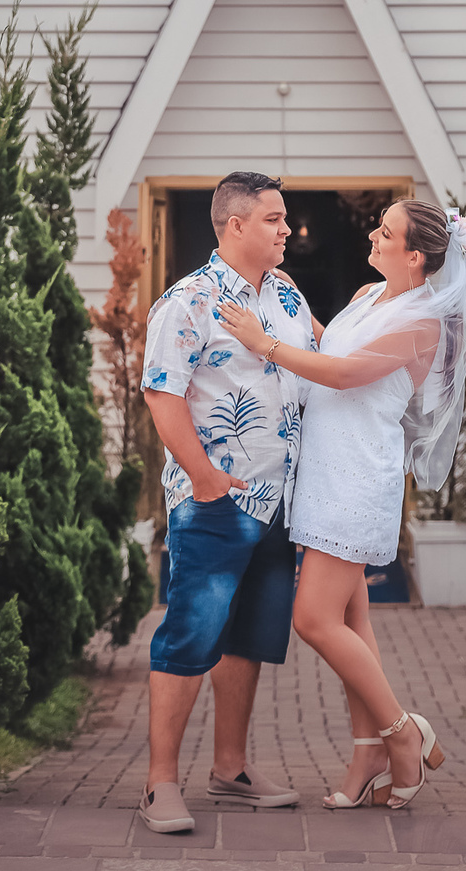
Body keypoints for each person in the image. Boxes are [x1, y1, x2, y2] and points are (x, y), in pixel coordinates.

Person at [219, 199, 466, 811]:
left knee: (313, 619)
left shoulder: (422, 325)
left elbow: (341, 374)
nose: (373, 233)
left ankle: (402, 733)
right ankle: (368, 749)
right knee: (353, 621)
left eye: (385, 232)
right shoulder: (368, 295)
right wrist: (293, 304)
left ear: (415, 256)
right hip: (321, 472)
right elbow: (328, 344)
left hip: (358, 478)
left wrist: (263, 343)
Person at [137, 172, 317, 835]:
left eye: (286, 218)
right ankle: (159, 784)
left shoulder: (289, 295)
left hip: (280, 505)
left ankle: (230, 769)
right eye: (273, 218)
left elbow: (324, 353)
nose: (286, 229)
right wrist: (203, 475)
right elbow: (162, 392)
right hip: (215, 503)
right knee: (190, 635)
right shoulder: (189, 300)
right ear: (234, 224)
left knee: (247, 638)